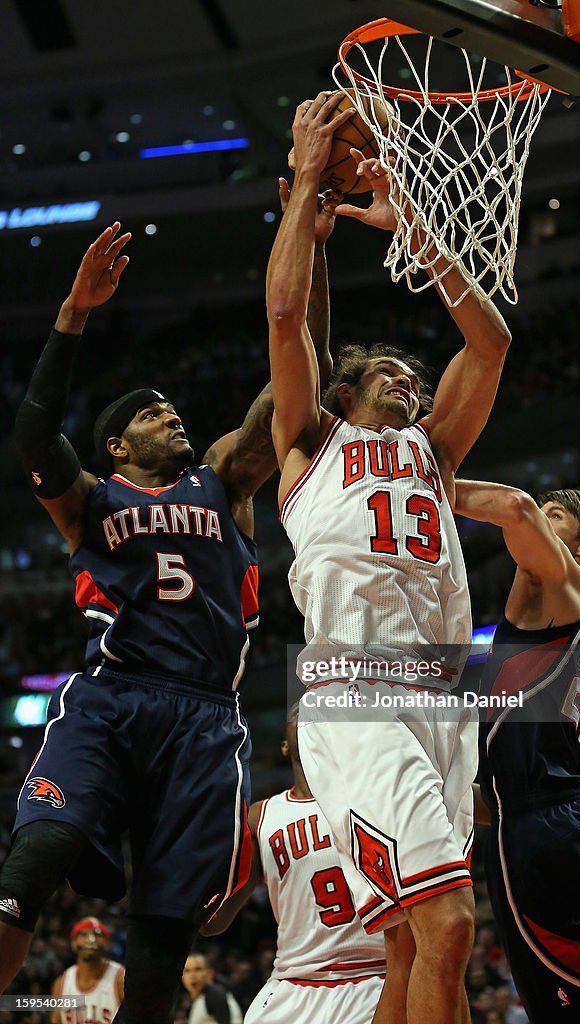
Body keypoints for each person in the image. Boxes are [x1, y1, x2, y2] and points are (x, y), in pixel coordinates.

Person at [0, 206, 335, 1024]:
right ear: (116, 444)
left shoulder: (223, 479)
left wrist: (312, 245)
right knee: (32, 861)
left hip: (204, 721)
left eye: (172, 409)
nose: (171, 415)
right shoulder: (91, 501)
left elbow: (301, 371)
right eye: (150, 413)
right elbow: (36, 437)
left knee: (162, 937)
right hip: (113, 699)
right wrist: (73, 316)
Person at [267, 92, 512, 1024]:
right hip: (355, 689)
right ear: (344, 391)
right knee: (447, 926)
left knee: (413, 939)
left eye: (414, 375)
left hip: (443, 696)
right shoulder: (309, 446)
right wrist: (302, 195)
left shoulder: (434, 453)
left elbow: (488, 345)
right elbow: (287, 316)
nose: (408, 380)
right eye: (388, 374)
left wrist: (412, 219)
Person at [453, 482, 580, 1024]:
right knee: (574, 999)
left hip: (547, 818)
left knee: (577, 999)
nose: (538, 518)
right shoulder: (554, 617)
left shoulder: (572, 590)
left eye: (555, 516)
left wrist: (428, 475)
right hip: (541, 813)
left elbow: (513, 509)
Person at [200, 704, 386, 1023]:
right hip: (292, 982)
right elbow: (214, 921)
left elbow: (480, 802)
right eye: (296, 712)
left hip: (373, 977)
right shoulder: (260, 817)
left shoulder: (377, 795)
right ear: (284, 745)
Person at [51, 917, 124, 1024]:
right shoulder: (62, 983)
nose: (91, 939)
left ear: (107, 944)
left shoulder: (121, 979)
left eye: (97, 934)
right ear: (74, 943)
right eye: (83, 934)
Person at [181, 954, 242, 1024]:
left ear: (210, 973)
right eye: (187, 971)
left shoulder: (215, 995)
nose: (192, 976)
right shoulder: (199, 999)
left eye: (198, 969)